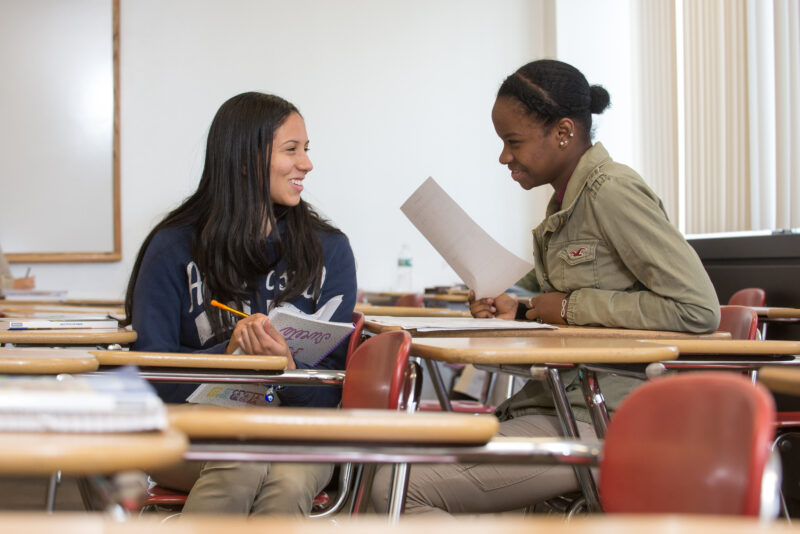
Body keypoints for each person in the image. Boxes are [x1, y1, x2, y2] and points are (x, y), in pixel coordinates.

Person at [371, 59, 720, 515]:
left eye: (512, 142)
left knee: (398, 489)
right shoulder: (563, 205)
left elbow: (697, 310)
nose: (503, 157)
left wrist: (571, 307)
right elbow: (548, 301)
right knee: (385, 469)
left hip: (607, 419)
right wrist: (515, 306)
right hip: (558, 405)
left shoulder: (611, 192)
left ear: (563, 132)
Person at [125, 92, 357, 515]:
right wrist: (228, 357)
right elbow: (148, 380)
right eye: (292, 149)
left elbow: (335, 392)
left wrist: (286, 368)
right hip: (190, 433)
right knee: (242, 461)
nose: (306, 163)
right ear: (246, 159)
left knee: (285, 482)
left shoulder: (330, 250)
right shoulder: (172, 246)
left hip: (299, 433)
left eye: (306, 149)